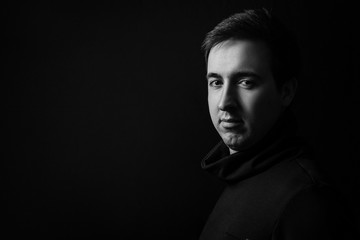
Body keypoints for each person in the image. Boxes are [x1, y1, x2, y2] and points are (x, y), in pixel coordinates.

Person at [199, 8, 358, 240]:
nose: (224, 102)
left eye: (245, 82)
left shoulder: (309, 202)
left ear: (286, 92)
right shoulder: (238, 173)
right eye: (216, 82)